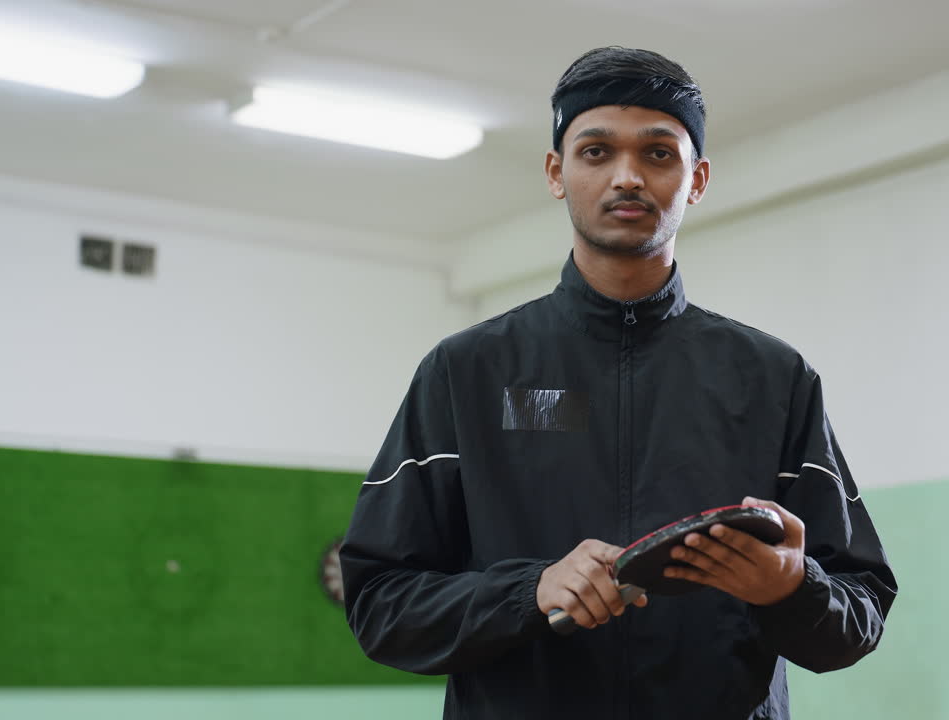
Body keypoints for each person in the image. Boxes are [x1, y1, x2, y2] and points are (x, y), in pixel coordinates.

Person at [340, 46, 897, 720]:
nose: (627, 177)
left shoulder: (774, 378)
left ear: (696, 179)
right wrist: (530, 592)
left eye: (659, 153)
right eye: (596, 151)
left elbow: (858, 614)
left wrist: (790, 587)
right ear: (556, 171)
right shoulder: (467, 371)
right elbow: (379, 604)